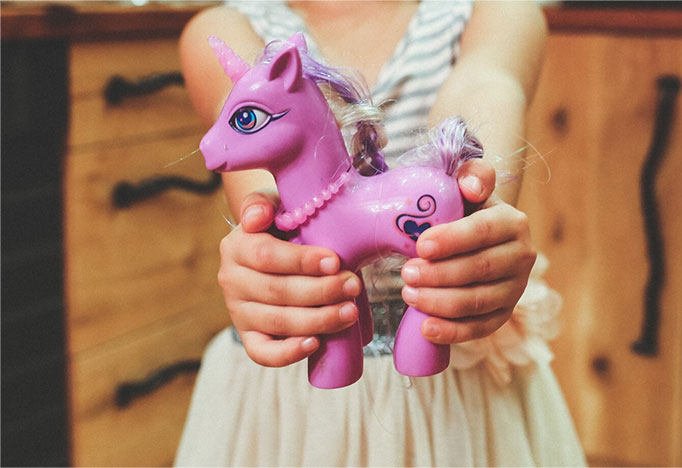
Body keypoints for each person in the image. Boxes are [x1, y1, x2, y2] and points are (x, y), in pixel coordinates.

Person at [175, 1, 586, 466]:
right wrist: (268, 255)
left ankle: (419, 340)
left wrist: (475, 210)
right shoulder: (225, 27)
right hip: (294, 376)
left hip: (459, 382)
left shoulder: (491, 12)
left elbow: (485, 83)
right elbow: (265, 191)